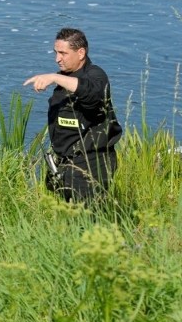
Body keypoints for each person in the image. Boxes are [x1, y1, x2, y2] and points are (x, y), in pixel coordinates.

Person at [23, 28, 123, 202]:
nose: (57, 59)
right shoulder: (65, 78)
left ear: (81, 52)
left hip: (91, 165)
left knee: (88, 223)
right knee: (67, 224)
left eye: (63, 53)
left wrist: (55, 77)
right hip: (65, 165)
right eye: (56, 53)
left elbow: (92, 93)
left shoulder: (95, 75)